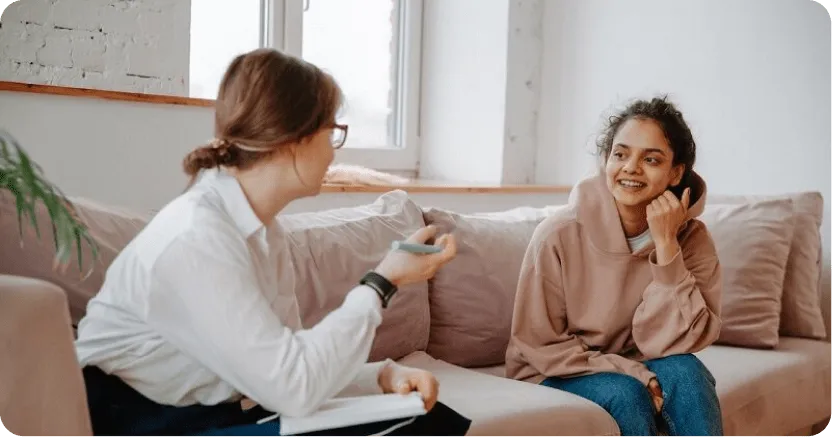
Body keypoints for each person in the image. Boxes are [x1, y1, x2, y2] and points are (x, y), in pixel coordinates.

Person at [74, 48, 472, 437]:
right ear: (292, 139)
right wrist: (381, 282)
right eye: (331, 132)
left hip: (210, 416)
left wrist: (381, 376)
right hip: (135, 422)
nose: (334, 153)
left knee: (421, 415)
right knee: (419, 426)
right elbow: (294, 389)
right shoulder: (197, 238)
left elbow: (289, 367)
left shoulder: (264, 232)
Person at [505, 96, 723, 436]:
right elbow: (539, 344)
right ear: (606, 160)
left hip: (639, 360)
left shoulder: (693, 240)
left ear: (675, 172)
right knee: (626, 395)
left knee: (688, 374)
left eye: (651, 159)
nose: (631, 168)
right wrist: (631, 371)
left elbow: (685, 340)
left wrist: (667, 247)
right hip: (554, 370)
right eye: (620, 154)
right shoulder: (557, 235)